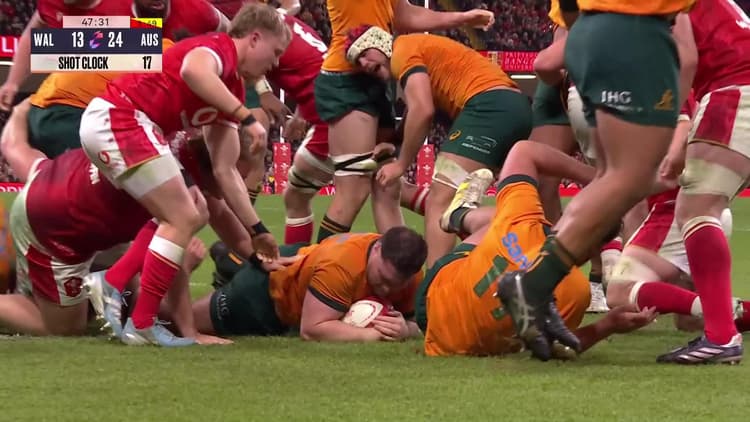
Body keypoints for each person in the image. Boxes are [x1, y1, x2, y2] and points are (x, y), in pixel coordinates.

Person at [495, 0, 698, 359]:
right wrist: (675, 109)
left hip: (589, 36)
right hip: (635, 34)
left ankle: (538, 286)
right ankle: (534, 285)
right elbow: (688, 52)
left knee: (609, 179)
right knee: (630, 179)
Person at [78, 3, 286, 345]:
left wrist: (258, 231)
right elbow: (193, 71)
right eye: (275, 52)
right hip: (122, 117)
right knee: (184, 214)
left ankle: (116, 282)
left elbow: (225, 172)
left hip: (126, 123)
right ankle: (141, 319)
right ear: (254, 38)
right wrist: (246, 116)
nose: (274, 63)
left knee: (194, 207)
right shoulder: (220, 49)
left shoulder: (231, 88)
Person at [417, 141, 657, 358]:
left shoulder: (524, 217)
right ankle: (459, 214)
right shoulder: (576, 291)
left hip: (432, 296)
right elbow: (555, 348)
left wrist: (601, 180)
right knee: (498, 223)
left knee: (497, 221)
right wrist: (607, 326)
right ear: (594, 251)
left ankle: (460, 214)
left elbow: (524, 150)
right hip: (448, 342)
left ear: (574, 210)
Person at [345, 27, 532, 267]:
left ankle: (433, 290)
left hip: (488, 108)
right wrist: (395, 144)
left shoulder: (401, 50)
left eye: (363, 51)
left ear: (381, 43)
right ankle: (508, 261)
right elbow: (421, 108)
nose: (363, 62)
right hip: (509, 108)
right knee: (455, 204)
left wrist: (401, 164)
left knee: (440, 202)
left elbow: (422, 110)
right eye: (356, 61)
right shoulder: (416, 51)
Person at [312, 0, 494, 244]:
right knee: (354, 189)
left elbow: (405, 15)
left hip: (379, 72)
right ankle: (318, 270)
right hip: (347, 78)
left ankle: (401, 269)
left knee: (388, 186)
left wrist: (463, 19)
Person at [650, 0, 750, 363]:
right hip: (741, 84)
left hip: (733, 90)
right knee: (702, 208)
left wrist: (674, 115)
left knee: (697, 210)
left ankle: (722, 337)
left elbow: (686, 58)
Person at [192, 228, 426, 342]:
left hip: (305, 266)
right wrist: (372, 335)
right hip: (267, 290)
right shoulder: (341, 265)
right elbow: (312, 329)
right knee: (177, 320)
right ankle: (230, 265)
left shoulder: (412, 274)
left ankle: (229, 262)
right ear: (377, 249)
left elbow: (421, 323)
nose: (385, 290)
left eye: (394, 285)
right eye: (381, 279)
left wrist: (407, 329)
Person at [0, 0, 229, 111]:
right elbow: (37, 34)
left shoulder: (196, 11)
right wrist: (13, 82)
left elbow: (233, 35)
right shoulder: (63, 11)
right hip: (101, 103)